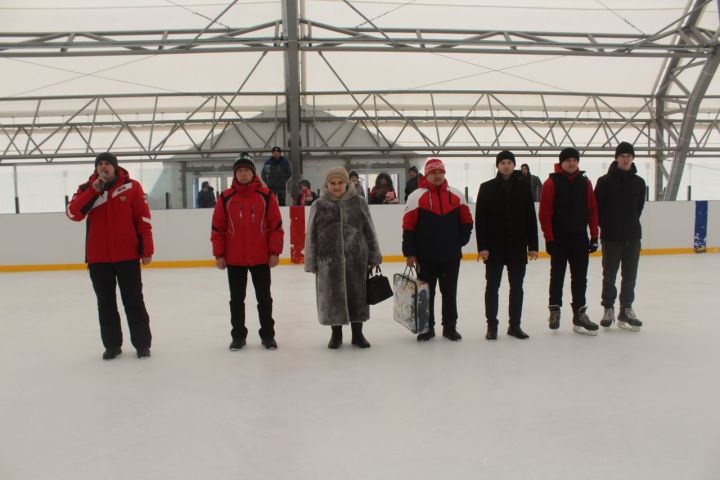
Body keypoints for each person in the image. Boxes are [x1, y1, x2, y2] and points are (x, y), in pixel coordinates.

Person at [66, 152, 154, 360]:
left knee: (133, 300)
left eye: (107, 164)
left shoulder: (132, 187)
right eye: (100, 164)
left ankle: (142, 344)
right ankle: (112, 345)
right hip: (98, 258)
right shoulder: (86, 188)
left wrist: (146, 250)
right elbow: (73, 214)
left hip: (127, 256)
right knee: (105, 303)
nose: (103, 167)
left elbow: (143, 219)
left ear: (115, 167)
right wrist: (94, 190)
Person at [211, 152, 284, 351]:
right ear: (235, 174)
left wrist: (274, 251)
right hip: (234, 259)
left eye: (246, 170)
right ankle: (238, 336)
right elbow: (217, 228)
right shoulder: (226, 197)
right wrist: (219, 254)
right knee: (236, 299)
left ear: (253, 173)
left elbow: (275, 225)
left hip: (261, 258)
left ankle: (268, 336)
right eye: (239, 171)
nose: (243, 174)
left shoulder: (266, 195)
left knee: (264, 298)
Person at [304, 168, 382, 349]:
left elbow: (370, 230)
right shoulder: (319, 204)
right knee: (333, 297)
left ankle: (357, 334)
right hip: (328, 261)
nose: (337, 186)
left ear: (347, 183)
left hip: (357, 259)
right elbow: (311, 235)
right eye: (333, 183)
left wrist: (373, 255)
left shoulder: (359, 202)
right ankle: (336, 335)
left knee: (358, 295)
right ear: (327, 184)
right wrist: (312, 260)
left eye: (340, 183)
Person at [402, 158, 473, 342]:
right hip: (425, 257)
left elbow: (467, 221)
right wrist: (409, 253)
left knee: (450, 293)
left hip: (451, 256)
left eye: (440, 172)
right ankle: (426, 328)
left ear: (444, 173)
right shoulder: (416, 196)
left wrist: (461, 241)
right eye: (433, 172)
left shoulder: (456, 195)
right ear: (426, 174)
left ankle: (450, 328)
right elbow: (408, 226)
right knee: (426, 293)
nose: (437, 175)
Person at [476, 151, 539, 341]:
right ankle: (492, 326)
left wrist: (533, 245)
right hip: (494, 247)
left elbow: (530, 218)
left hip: (517, 246)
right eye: (502, 162)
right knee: (492, 287)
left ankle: (515, 325)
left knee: (517, 287)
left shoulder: (523, 187)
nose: (506, 165)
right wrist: (483, 246)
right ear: (497, 165)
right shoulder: (486, 188)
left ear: (514, 165)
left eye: (509, 162)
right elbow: (480, 220)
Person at [539, 147, 600, 336]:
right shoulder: (551, 183)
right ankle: (555, 311)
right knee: (557, 276)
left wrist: (594, 236)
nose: (572, 163)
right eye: (568, 160)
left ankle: (579, 314)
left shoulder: (585, 182)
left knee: (580, 278)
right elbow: (545, 213)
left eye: (575, 159)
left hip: (579, 238)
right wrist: (549, 238)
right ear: (561, 162)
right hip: (559, 239)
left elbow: (592, 210)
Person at [594, 141, 646, 332]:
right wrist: (608, 226)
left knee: (630, 276)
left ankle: (626, 309)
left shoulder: (639, 183)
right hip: (611, 237)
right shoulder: (604, 181)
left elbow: (638, 208)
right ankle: (608, 308)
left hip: (632, 236)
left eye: (628, 156)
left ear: (632, 159)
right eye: (622, 156)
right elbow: (596, 208)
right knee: (609, 275)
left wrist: (629, 225)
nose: (625, 159)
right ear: (616, 158)